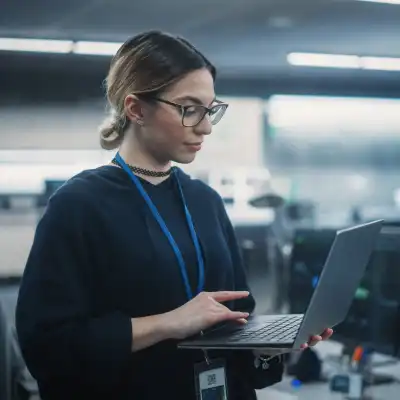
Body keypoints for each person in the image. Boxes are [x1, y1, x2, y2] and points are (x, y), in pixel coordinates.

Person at [15, 30, 332, 400]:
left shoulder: (205, 201)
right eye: (189, 109)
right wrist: (169, 323)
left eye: (210, 109)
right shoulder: (80, 205)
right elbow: (48, 345)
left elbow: (238, 316)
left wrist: (270, 344)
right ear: (136, 109)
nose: (206, 126)